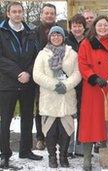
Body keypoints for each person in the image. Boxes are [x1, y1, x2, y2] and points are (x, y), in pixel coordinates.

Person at [77, 15, 108, 170]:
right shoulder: (86, 43)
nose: (103, 28)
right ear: (94, 27)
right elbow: (82, 64)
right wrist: (93, 77)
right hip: (93, 89)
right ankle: (87, 159)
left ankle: (106, 158)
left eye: (105, 25)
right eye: (100, 25)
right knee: (90, 122)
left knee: (107, 121)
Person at [0, 2, 42, 168]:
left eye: (20, 11)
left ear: (23, 13)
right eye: (14, 12)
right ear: (8, 14)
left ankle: (26, 150)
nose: (17, 14)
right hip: (8, 83)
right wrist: (18, 73)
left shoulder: (31, 31)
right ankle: (5, 153)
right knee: (6, 120)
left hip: (28, 83)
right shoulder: (2, 32)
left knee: (26, 118)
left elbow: (37, 57)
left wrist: (29, 73)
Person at [33, 26, 81, 168]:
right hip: (49, 97)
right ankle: (52, 156)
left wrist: (66, 85)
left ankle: (64, 156)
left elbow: (78, 73)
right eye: (53, 35)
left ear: (63, 37)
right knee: (50, 129)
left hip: (67, 96)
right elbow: (37, 74)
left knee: (66, 129)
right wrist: (54, 85)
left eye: (58, 35)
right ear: (49, 37)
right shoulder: (43, 54)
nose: (56, 37)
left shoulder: (72, 54)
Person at [33, 3, 60, 150]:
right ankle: (40, 137)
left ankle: (55, 136)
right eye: (46, 13)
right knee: (40, 107)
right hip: (40, 75)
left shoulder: (61, 31)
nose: (49, 15)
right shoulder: (34, 32)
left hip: (57, 75)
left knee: (57, 105)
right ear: (41, 15)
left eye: (52, 13)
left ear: (55, 15)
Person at [66, 13, 86, 156]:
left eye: (80, 26)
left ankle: (80, 146)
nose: (77, 29)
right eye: (74, 26)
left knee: (83, 115)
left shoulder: (90, 41)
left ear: (84, 27)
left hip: (86, 84)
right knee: (68, 115)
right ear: (70, 28)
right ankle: (67, 145)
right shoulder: (65, 41)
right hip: (70, 84)